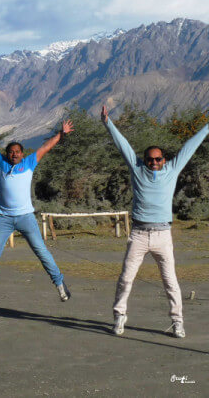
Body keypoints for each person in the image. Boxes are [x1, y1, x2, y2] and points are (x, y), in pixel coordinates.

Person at [101, 106, 208, 338]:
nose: (154, 163)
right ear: (145, 160)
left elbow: (190, 146)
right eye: (150, 160)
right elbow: (123, 146)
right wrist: (108, 122)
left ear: (164, 160)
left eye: (158, 159)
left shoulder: (172, 169)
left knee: (171, 282)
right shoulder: (137, 168)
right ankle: (119, 317)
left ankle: (177, 321)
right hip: (139, 234)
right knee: (125, 279)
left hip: (163, 236)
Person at [0, 114, 73, 308]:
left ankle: (59, 284)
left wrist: (61, 134)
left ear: (22, 154)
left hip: (26, 217)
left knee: (41, 251)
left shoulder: (29, 163)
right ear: (7, 154)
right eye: (11, 152)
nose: (14, 154)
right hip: (4, 218)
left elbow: (46, 147)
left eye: (17, 152)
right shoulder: (0, 162)